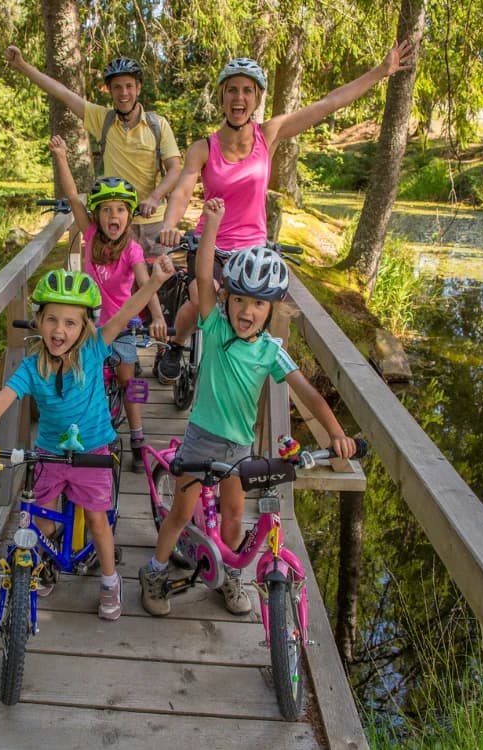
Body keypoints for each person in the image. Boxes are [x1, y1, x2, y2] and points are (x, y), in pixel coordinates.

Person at [139, 197, 357, 617]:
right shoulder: (215, 326)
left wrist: (335, 434)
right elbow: (204, 274)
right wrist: (214, 225)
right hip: (202, 438)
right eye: (240, 300)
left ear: (271, 309)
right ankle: (154, 570)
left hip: (239, 448)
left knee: (235, 517)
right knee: (182, 514)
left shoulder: (271, 352)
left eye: (258, 304)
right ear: (227, 301)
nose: (247, 310)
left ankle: (232, 574)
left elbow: (308, 392)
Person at [154, 40, 415, 384]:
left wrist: (381, 71)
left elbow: (327, 104)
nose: (239, 98)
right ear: (222, 97)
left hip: (252, 248)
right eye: (232, 90)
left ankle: (243, 379)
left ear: (257, 99)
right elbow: (184, 189)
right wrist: (171, 225)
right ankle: (176, 344)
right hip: (210, 243)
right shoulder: (203, 148)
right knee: (199, 298)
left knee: (255, 314)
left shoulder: (269, 135)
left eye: (247, 91)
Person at [0, 257, 175, 621]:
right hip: (49, 452)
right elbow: (4, 397)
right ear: (39, 322)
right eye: (51, 319)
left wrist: (155, 281)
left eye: (69, 322)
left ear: (83, 327)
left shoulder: (94, 349)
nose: (59, 329)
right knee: (42, 522)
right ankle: (45, 565)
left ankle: (111, 582)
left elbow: (126, 309)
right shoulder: (33, 366)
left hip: (93, 451)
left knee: (98, 521)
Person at [48, 134, 168, 471]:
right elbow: (72, 196)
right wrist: (61, 155)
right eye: (106, 210)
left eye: (120, 210)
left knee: (130, 380)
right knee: (83, 379)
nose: (113, 216)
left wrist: (156, 317)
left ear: (128, 217)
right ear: (97, 216)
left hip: (122, 326)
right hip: (89, 327)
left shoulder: (132, 249)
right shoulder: (89, 236)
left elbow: (146, 285)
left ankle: (138, 436)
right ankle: (84, 429)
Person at [5, 46, 183, 257]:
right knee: (120, 287)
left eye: (129, 86)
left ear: (138, 88)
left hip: (154, 222)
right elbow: (62, 93)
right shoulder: (103, 120)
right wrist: (22, 65)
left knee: (162, 283)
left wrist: (154, 198)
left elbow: (174, 169)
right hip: (117, 224)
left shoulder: (157, 124)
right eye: (117, 87)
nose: (123, 93)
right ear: (110, 90)